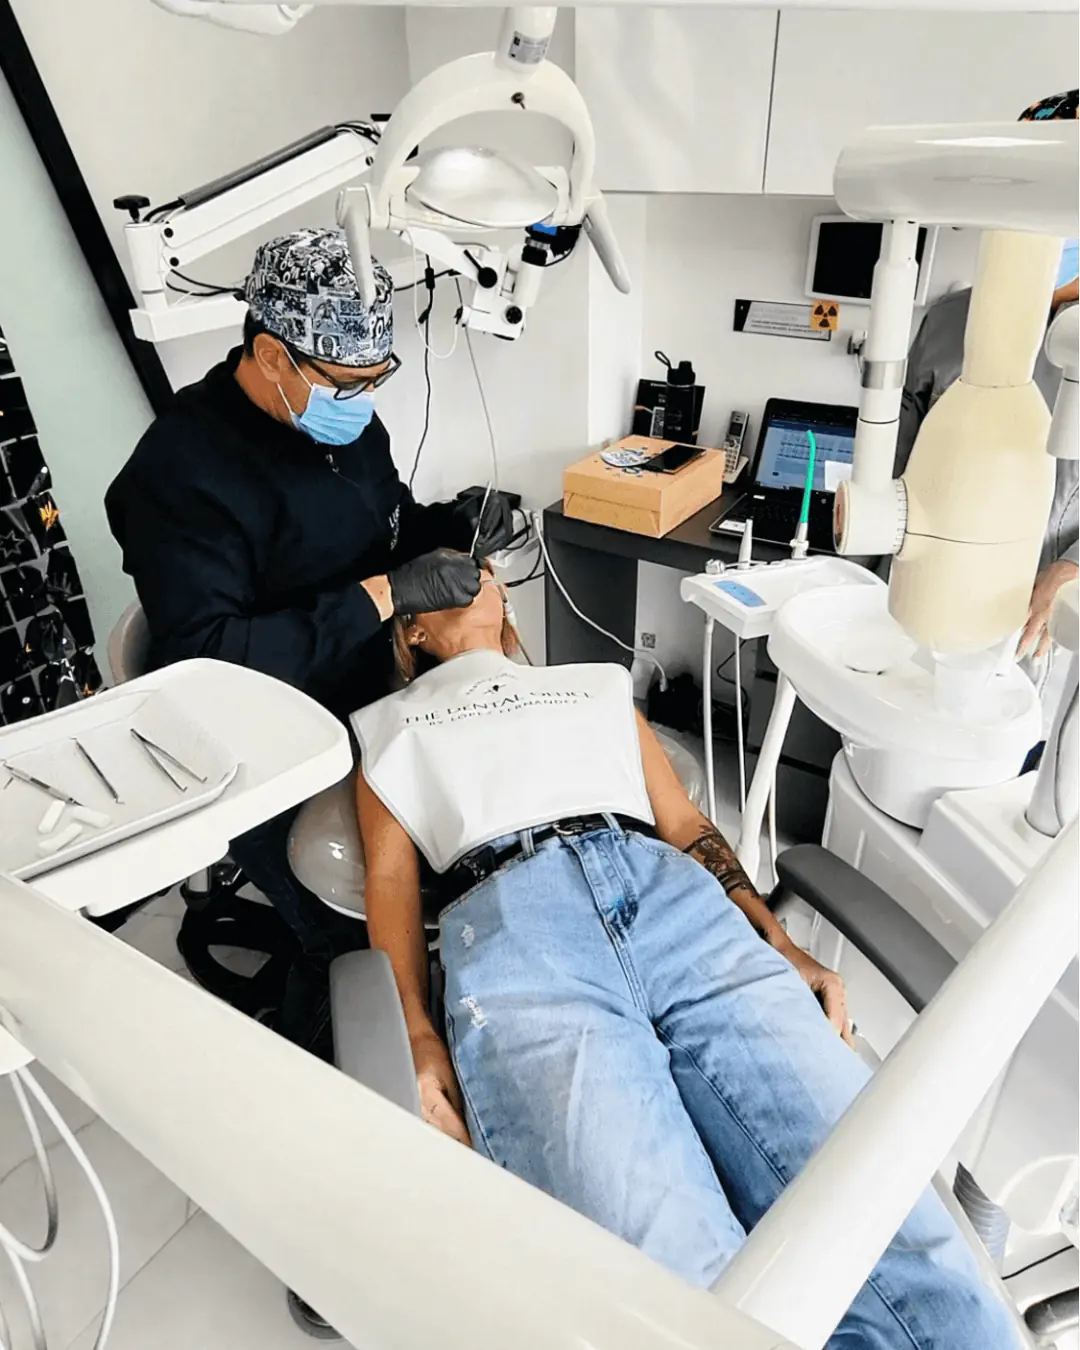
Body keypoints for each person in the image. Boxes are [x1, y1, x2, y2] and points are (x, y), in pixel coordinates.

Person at [351, 573, 1020, 1348]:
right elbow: (392, 879)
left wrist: (774, 938)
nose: (478, 582)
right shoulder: (389, 725)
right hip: (520, 924)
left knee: (887, 1222)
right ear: (413, 633)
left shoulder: (593, 687)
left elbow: (685, 823)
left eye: (486, 574)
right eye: (449, 580)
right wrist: (417, 1033)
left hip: (673, 900)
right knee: (669, 1281)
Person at [106, 227, 508, 1051]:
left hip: (370, 692)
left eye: (375, 380)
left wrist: (449, 522)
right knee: (365, 926)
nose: (362, 401)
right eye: (346, 382)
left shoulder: (344, 425)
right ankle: (350, 1027)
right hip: (263, 741)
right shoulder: (178, 476)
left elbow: (383, 521)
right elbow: (211, 667)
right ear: (272, 353)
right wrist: (386, 595)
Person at [896, 90, 1078, 691]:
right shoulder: (949, 322)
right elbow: (901, 463)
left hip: (1035, 626)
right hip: (919, 604)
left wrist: (1072, 572)